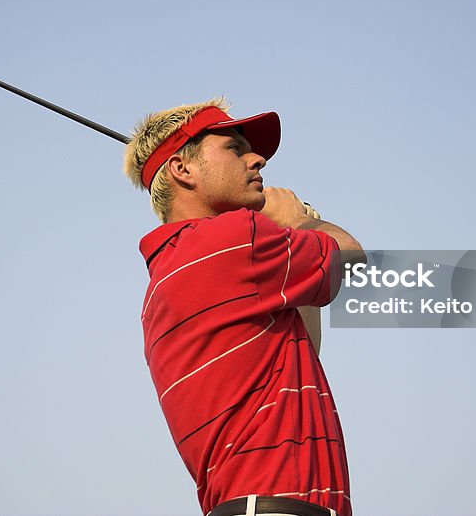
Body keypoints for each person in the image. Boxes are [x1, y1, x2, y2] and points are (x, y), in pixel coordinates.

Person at [124, 98, 365, 516]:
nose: (257, 160)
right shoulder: (236, 239)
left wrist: (287, 230)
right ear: (183, 169)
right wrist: (301, 221)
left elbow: (301, 347)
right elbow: (351, 258)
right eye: (234, 148)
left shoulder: (168, 276)